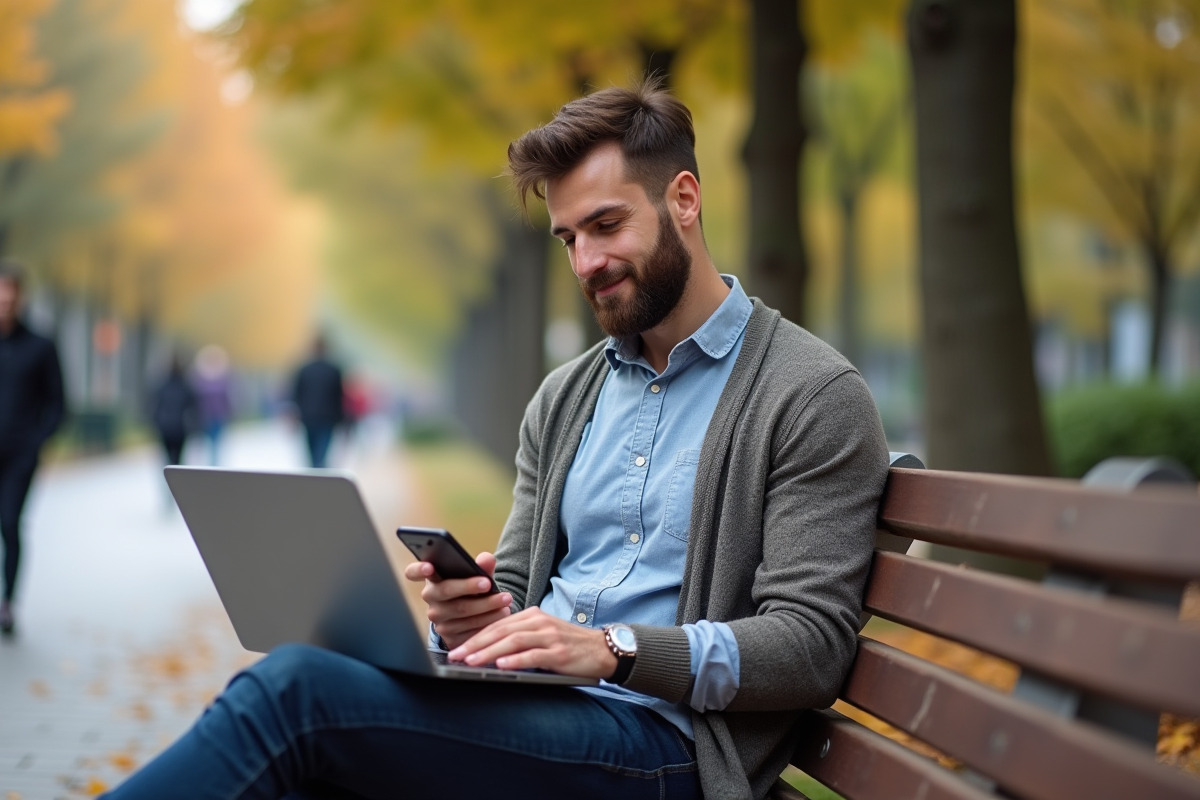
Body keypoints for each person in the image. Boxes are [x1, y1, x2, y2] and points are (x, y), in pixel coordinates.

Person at [104, 80, 888, 800]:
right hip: (538, 715)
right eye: (568, 238)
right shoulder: (565, 397)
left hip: (665, 748)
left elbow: (812, 644)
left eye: (607, 225)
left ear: (684, 199)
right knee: (312, 734)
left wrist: (611, 648)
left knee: (298, 696)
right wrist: (470, 614)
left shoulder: (809, 394)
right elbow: (513, 585)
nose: (588, 262)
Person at [0, 259, 66, 635]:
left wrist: (37, 442)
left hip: (19, 455)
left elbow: (58, 402)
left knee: (10, 523)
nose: (4, 299)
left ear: (21, 296)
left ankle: (8, 602)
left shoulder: (40, 346)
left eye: (11, 291)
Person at [289, 336, 344, 468]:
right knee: (322, 452)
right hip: (327, 417)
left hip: (308, 417)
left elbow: (296, 394)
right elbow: (339, 397)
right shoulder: (334, 370)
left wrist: (295, 415)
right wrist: (341, 419)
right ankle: (320, 473)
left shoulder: (304, 370)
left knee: (311, 451)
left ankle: (314, 473)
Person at [149, 354, 198, 468]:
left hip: (165, 426)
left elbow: (155, 405)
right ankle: (176, 480)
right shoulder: (185, 385)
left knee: (168, 457)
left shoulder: (162, 384)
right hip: (180, 427)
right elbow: (193, 406)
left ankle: (170, 479)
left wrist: (155, 422)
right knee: (178, 459)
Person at [191, 345, 233, 466]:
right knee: (204, 444)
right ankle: (207, 466)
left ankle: (214, 466)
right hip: (204, 417)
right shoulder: (198, 376)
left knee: (215, 444)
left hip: (218, 416)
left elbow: (227, 398)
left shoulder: (223, 376)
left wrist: (229, 412)